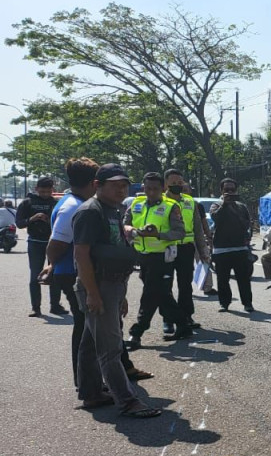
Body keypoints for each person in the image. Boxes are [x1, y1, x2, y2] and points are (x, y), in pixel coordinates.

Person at [72, 164, 160, 418]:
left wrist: (120, 295)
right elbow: (81, 255)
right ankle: (128, 401)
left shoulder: (114, 210)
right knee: (110, 349)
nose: (121, 189)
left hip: (112, 284)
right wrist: (92, 293)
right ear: (98, 186)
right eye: (115, 185)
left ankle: (91, 393)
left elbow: (117, 246)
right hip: (98, 284)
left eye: (124, 185)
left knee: (90, 344)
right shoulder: (90, 211)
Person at [41, 158, 98, 388]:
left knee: (87, 325)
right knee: (85, 327)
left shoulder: (74, 201)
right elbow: (56, 243)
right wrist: (52, 264)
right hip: (73, 273)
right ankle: (85, 381)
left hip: (71, 271)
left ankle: (90, 378)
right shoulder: (73, 206)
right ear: (93, 182)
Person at [125, 172, 190, 348]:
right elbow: (125, 223)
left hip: (162, 257)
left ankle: (136, 333)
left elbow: (179, 232)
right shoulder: (136, 203)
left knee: (149, 295)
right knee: (161, 295)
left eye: (155, 189)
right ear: (142, 188)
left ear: (163, 188)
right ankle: (184, 324)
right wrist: (131, 229)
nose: (151, 192)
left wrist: (158, 234)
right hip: (142, 256)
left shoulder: (171, 206)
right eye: (148, 188)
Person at [164, 169, 209, 332]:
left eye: (179, 183)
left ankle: (186, 316)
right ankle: (168, 320)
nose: (177, 186)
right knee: (166, 285)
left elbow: (198, 228)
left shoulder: (190, 201)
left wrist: (203, 249)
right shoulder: (161, 202)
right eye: (173, 183)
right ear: (166, 184)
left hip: (186, 248)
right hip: (166, 248)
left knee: (185, 285)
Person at [17, 176, 63, 317]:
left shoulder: (56, 203)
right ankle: (35, 307)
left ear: (52, 190)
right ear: (36, 189)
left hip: (53, 242)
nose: (44, 194)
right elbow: (19, 223)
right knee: (35, 276)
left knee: (55, 275)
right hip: (35, 242)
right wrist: (33, 218)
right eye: (42, 191)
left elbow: (62, 223)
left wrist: (49, 220)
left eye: (48, 191)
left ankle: (55, 306)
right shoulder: (27, 203)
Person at [209, 178, 255, 313]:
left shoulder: (242, 207)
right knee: (222, 280)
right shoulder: (216, 205)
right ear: (221, 191)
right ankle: (224, 303)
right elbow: (216, 218)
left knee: (244, 279)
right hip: (221, 249)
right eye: (226, 190)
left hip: (240, 248)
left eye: (232, 190)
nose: (229, 192)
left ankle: (248, 304)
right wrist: (225, 205)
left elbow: (247, 224)